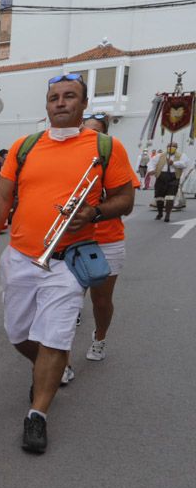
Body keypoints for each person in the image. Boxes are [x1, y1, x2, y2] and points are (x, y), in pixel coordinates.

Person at [0, 73, 135, 454]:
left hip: (69, 260)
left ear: (82, 105)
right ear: (47, 104)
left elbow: (125, 200)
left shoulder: (106, 146)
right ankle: (50, 366)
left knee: (55, 335)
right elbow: (1, 198)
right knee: (18, 334)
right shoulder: (25, 146)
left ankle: (38, 414)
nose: (60, 103)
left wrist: (94, 212)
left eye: (69, 97)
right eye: (54, 97)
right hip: (22, 256)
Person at [79, 113, 139, 362]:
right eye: (85, 130)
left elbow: (126, 202)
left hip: (107, 241)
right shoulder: (71, 157)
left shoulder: (113, 156)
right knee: (67, 302)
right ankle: (61, 360)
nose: (89, 135)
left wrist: (96, 209)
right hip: (74, 241)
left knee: (101, 301)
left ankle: (100, 338)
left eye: (96, 132)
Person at [152, 141, 188, 222]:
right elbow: (152, 163)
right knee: (159, 198)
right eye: (169, 146)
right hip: (161, 178)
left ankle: (167, 215)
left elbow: (184, 164)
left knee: (170, 197)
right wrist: (151, 170)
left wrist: (173, 163)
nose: (171, 148)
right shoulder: (160, 155)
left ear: (176, 148)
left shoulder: (182, 156)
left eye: (173, 146)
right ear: (166, 147)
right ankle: (160, 213)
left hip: (173, 178)